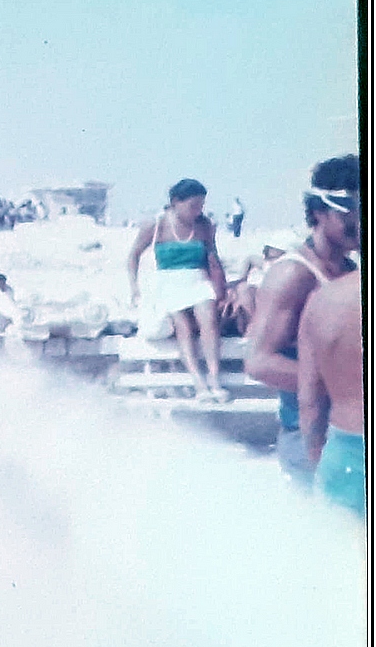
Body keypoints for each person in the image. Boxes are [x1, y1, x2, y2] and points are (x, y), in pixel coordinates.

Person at [246, 155, 361, 486]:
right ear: (317, 212)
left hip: (347, 430)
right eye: (350, 209)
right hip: (310, 435)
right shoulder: (294, 274)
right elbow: (259, 361)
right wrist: (336, 383)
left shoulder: (350, 272)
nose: (361, 219)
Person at [126, 178, 230, 402]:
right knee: (183, 327)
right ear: (175, 202)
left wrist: (222, 288)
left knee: (208, 320)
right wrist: (135, 287)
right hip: (168, 283)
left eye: (201, 206)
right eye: (193, 206)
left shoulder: (204, 226)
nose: (197, 211)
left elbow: (213, 258)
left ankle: (213, 377)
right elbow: (133, 255)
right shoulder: (156, 225)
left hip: (197, 279)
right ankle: (198, 382)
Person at [298, 270, 365, 516]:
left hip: (344, 452)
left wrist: (319, 459)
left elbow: (309, 400)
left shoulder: (323, 300)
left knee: (341, 551)